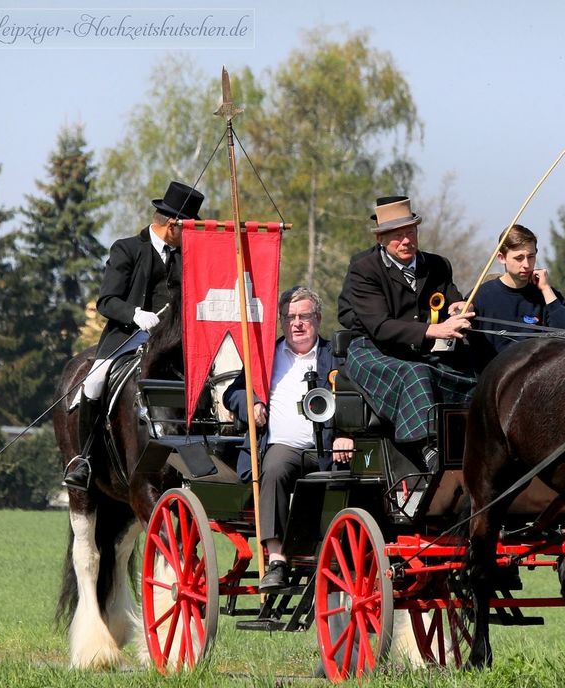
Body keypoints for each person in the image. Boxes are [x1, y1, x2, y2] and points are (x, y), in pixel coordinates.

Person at [62, 181, 205, 492]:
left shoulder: (187, 257)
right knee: (94, 382)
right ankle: (83, 461)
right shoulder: (127, 249)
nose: (191, 235)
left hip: (174, 345)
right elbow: (107, 301)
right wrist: (135, 314)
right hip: (128, 337)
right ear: (172, 225)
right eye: (188, 228)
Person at [222, 286, 354, 591]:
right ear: (282, 321)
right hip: (284, 446)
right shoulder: (265, 356)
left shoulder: (335, 356)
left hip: (328, 448)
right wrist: (251, 404)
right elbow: (234, 393)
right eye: (290, 317)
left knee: (353, 477)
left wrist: (346, 434)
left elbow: (354, 395)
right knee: (275, 468)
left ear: (318, 319)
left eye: (304, 316)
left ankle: (338, 551)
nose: (297, 323)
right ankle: (277, 559)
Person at [337, 195, 476, 472]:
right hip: (373, 350)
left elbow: (451, 298)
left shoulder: (437, 265)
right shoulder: (364, 269)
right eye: (397, 236)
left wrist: (460, 306)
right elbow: (379, 326)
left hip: (421, 352)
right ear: (381, 239)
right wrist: (432, 330)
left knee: (475, 380)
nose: (406, 241)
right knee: (417, 374)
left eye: (410, 232)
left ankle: (473, 443)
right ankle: (428, 448)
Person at [467, 224, 565, 371]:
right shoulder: (480, 296)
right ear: (501, 257)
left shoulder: (548, 296)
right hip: (492, 384)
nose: (526, 264)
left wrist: (546, 289)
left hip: (537, 379)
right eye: (519, 258)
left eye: (531, 257)